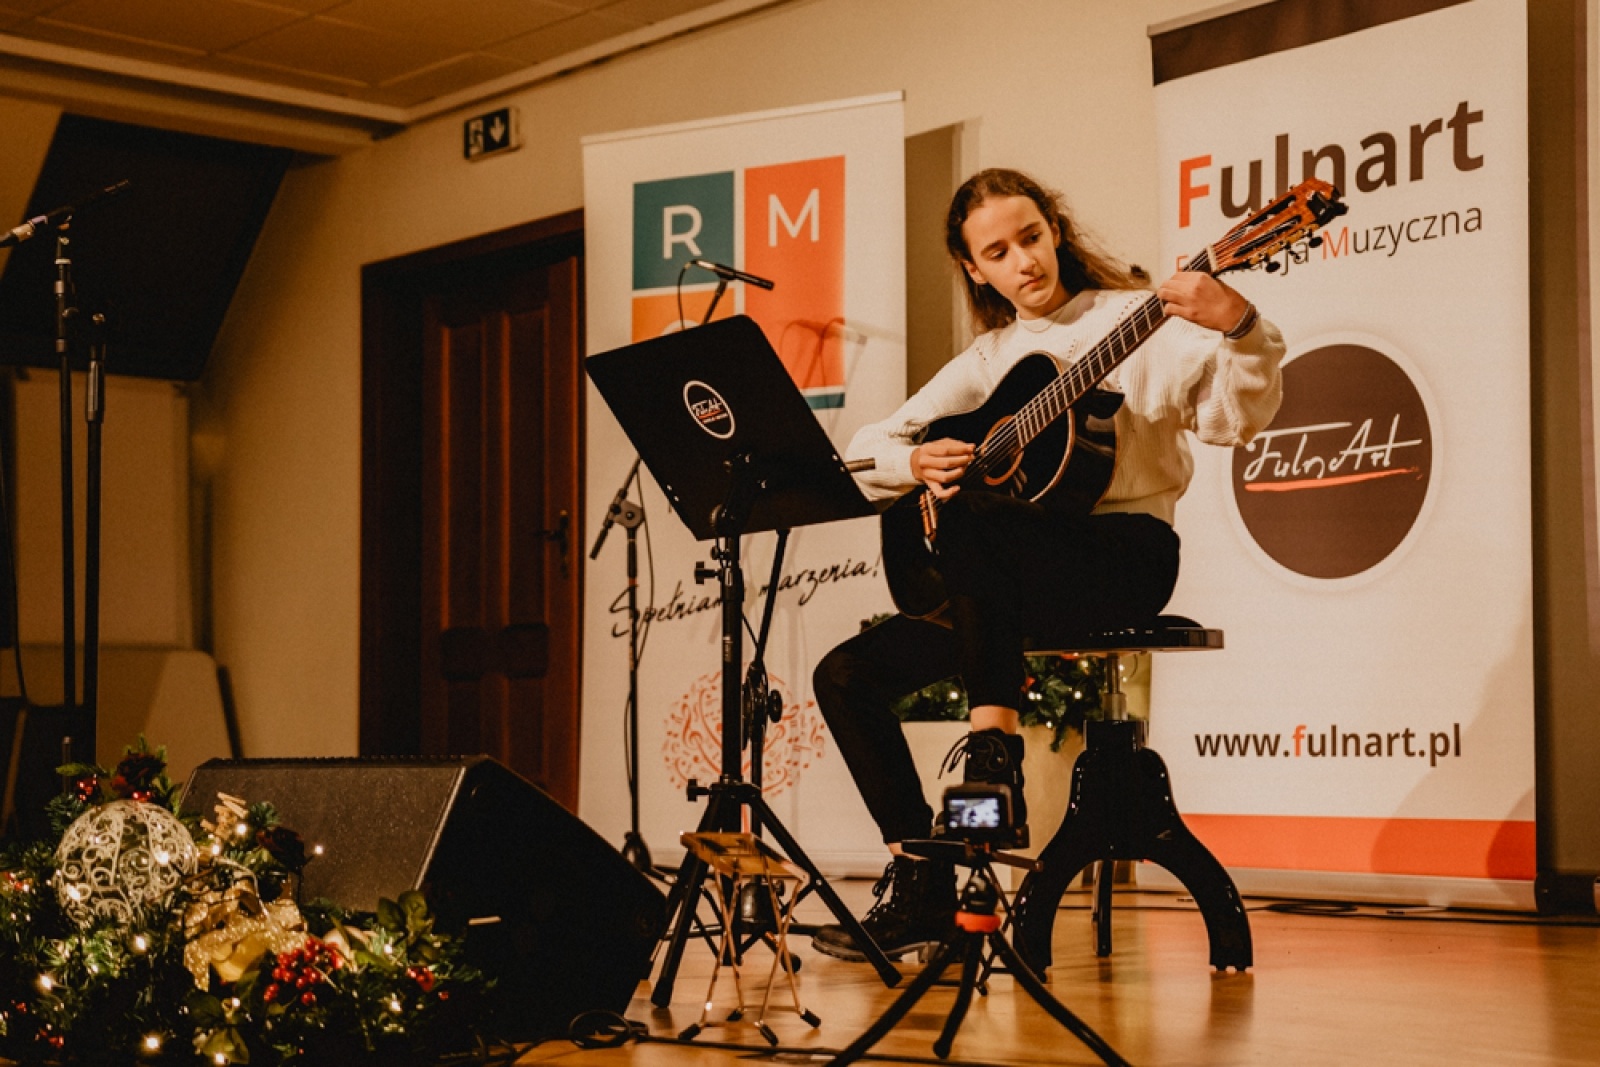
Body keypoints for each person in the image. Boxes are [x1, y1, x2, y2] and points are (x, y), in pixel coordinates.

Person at [809, 168, 1285, 962]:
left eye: (1031, 236)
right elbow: (866, 452)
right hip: (1007, 581)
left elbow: (1233, 417)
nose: (1023, 260)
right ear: (975, 268)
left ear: (1054, 229)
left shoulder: (1136, 320)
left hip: (1123, 555)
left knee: (979, 518)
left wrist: (1240, 326)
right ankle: (919, 877)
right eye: (998, 250)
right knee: (845, 675)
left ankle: (995, 753)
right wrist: (919, 459)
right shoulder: (991, 357)